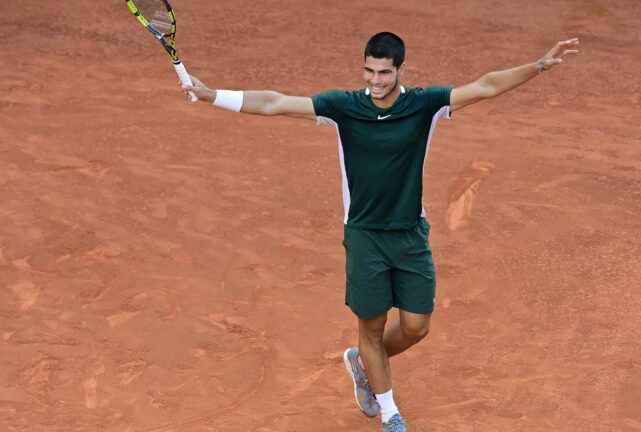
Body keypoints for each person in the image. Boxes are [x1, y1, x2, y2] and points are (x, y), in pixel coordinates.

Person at [184, 32, 579, 432]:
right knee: (371, 328)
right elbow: (274, 102)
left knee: (416, 326)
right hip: (364, 236)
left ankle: (363, 362)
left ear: (399, 70)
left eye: (384, 73)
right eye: (369, 71)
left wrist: (539, 66)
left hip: (410, 234)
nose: (375, 81)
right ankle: (390, 413)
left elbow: (486, 86)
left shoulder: (424, 105)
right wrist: (213, 94)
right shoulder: (343, 107)